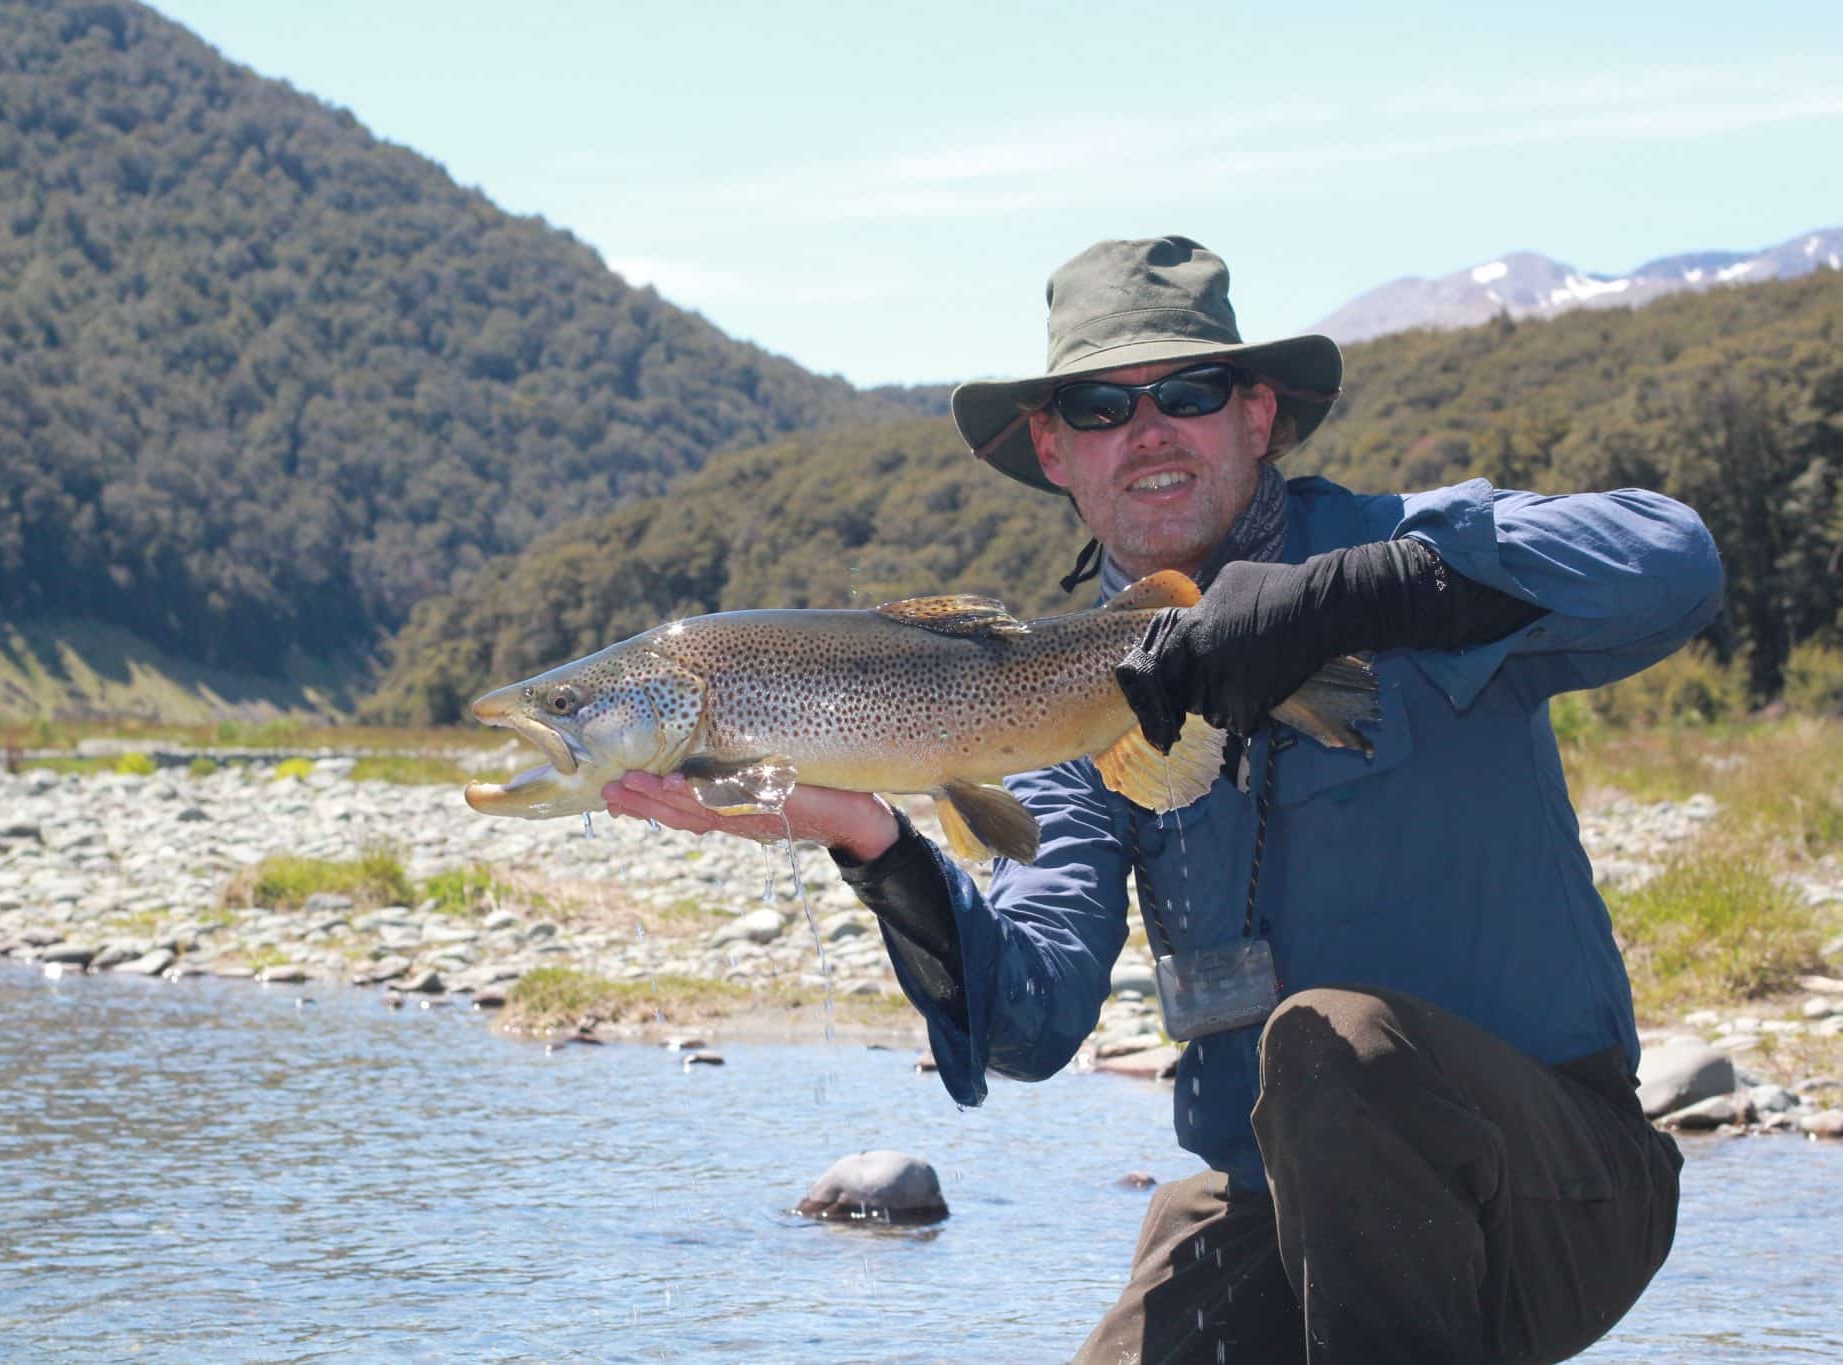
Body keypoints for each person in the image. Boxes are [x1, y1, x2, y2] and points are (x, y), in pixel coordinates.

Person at [603, 237, 1718, 1363]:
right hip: (1272, 1204)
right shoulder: (1053, 694)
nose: (1144, 432)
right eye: (1096, 407)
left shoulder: (1395, 551)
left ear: (1257, 416)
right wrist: (872, 839)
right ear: (1052, 449)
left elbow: (1673, 561)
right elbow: (1030, 1019)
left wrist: (1346, 599)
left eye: (1186, 393)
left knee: (1332, 1043)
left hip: (1555, 1186)